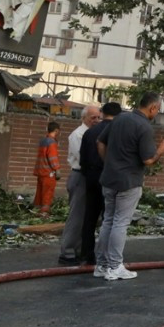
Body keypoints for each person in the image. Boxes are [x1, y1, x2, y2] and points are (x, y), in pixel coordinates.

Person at [95, 93, 164, 281]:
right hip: (128, 181)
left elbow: (100, 142)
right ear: (153, 107)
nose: (157, 113)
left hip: (109, 178)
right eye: (157, 109)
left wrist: (108, 164)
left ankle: (102, 265)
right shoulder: (144, 126)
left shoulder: (119, 118)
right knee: (120, 223)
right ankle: (115, 266)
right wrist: (160, 151)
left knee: (108, 220)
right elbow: (148, 160)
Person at [79, 102, 121, 266]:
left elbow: (83, 159)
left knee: (89, 217)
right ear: (119, 115)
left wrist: (88, 174)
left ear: (103, 113)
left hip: (91, 176)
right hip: (109, 178)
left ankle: (86, 254)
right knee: (109, 218)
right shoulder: (117, 132)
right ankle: (107, 256)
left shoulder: (90, 132)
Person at [58, 105, 101, 264]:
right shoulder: (78, 135)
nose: (96, 120)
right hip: (80, 175)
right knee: (77, 216)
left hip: (87, 176)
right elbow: (83, 157)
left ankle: (78, 250)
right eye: (93, 117)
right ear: (84, 118)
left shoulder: (91, 134)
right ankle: (67, 252)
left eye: (98, 117)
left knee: (85, 216)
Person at [32, 121, 61, 213]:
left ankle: (37, 209)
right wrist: (57, 169)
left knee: (39, 193)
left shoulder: (43, 141)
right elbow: (52, 157)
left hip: (40, 171)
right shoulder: (52, 142)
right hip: (48, 173)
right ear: (56, 130)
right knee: (47, 193)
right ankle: (44, 212)